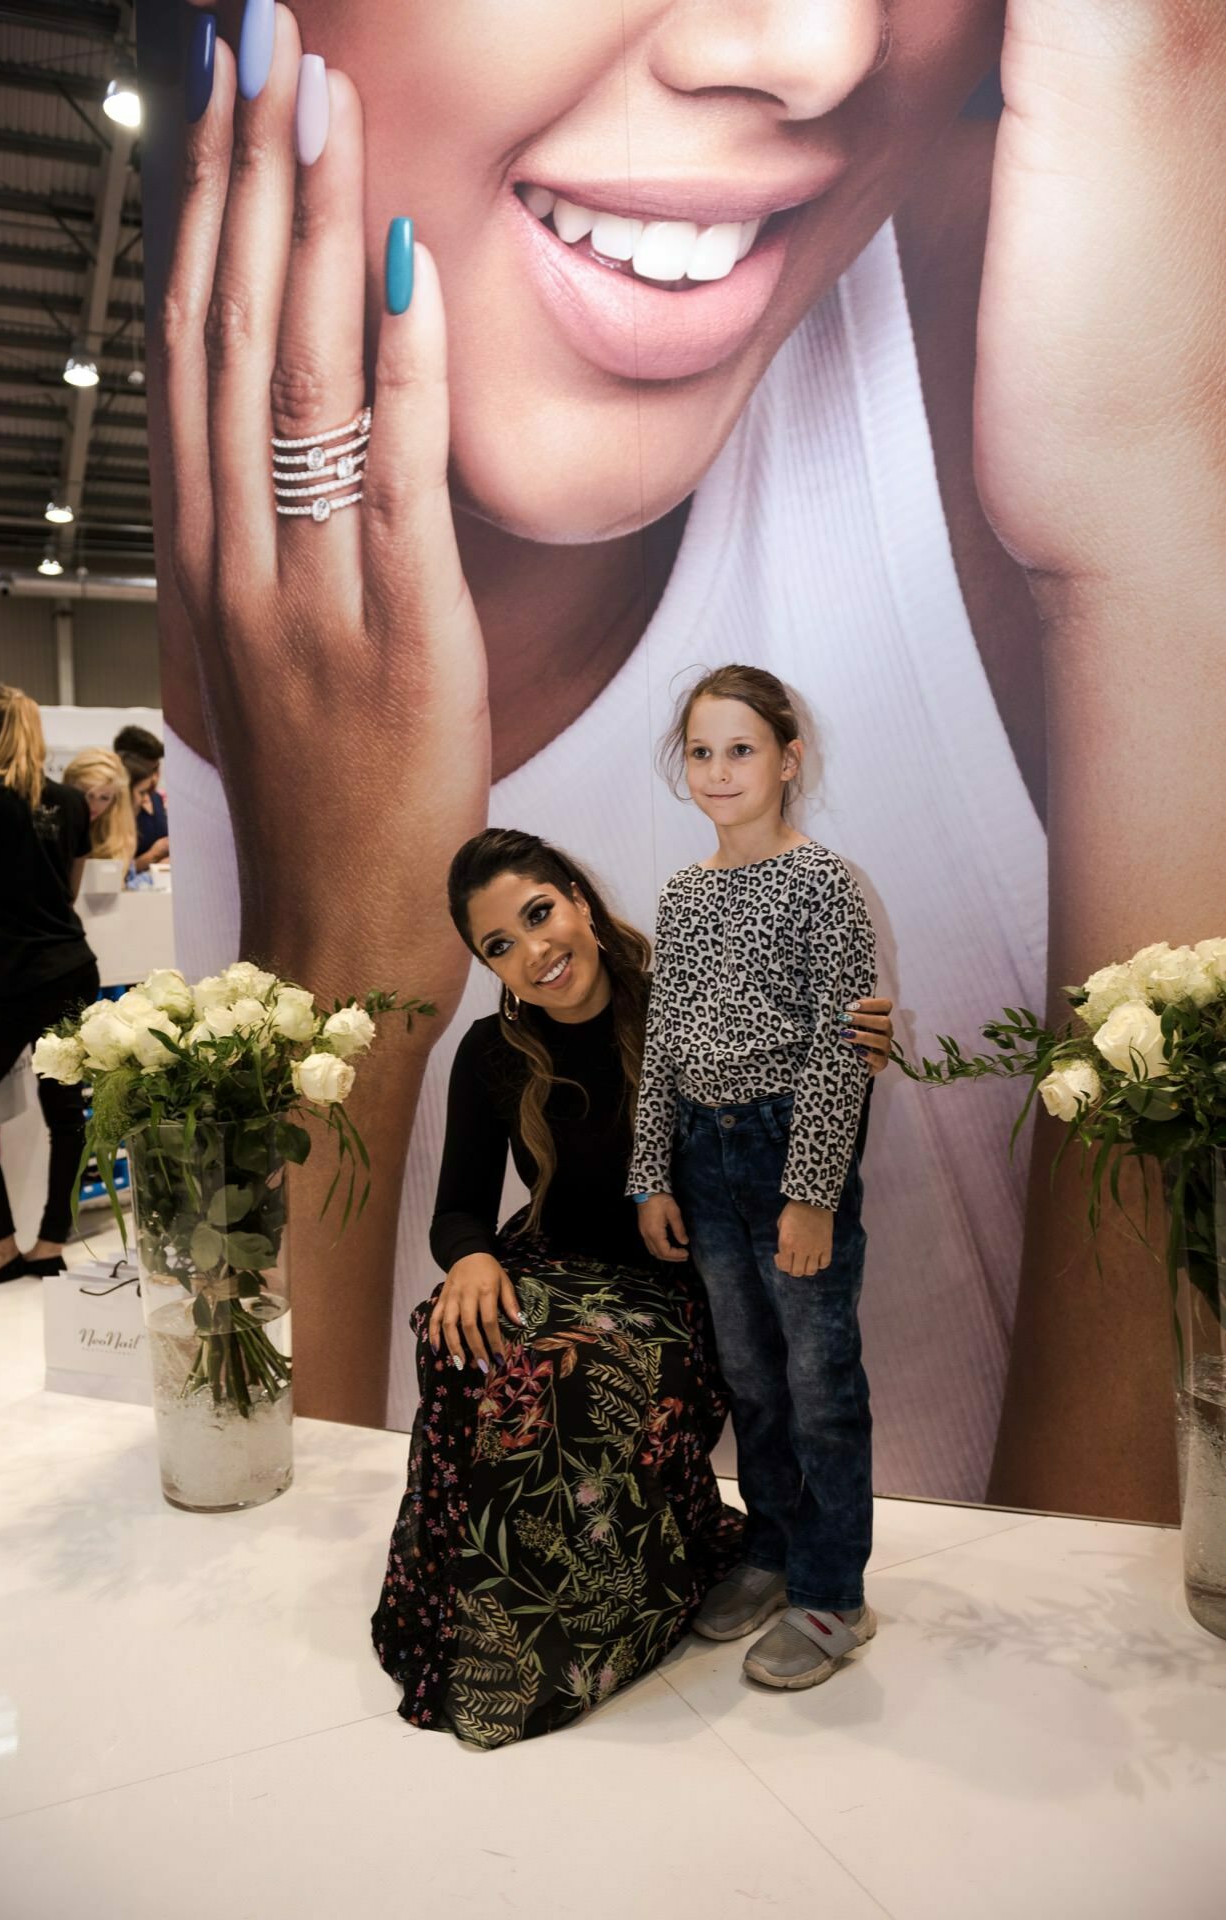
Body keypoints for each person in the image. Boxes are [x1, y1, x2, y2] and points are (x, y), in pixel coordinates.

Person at [148, 3, 1225, 1517]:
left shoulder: (1094, 300)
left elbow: (1124, 1677)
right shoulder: (545, 1020)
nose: (813, 49)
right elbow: (241, 1612)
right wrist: (341, 953)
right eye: (702, 753)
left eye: (739, 751)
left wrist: (1160, 577)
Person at [372, 826, 891, 1745]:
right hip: (549, 1268)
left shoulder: (678, 1002)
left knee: (565, 1372)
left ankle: (591, 1625)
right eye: (499, 944)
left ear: (576, 896)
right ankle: (476, 1625)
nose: (533, 953)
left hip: (673, 1290)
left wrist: (856, 1044)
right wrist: (472, 1259)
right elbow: (456, 1208)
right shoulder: (492, 1049)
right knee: (459, 1342)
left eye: (539, 914)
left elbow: (795, 1074)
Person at [630, 667, 877, 1692]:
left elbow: (837, 1049)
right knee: (752, 1379)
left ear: (788, 759)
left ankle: (833, 1593)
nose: (720, 771)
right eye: (701, 751)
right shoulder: (682, 894)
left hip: (787, 1153)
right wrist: (651, 1174)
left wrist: (811, 1193)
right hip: (703, 1153)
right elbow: (663, 1045)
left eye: (741, 749)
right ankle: (772, 1552)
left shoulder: (825, 883)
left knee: (820, 1385)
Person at [0, 686, 100, 1292]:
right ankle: (49, 1244)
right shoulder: (67, 799)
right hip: (71, 968)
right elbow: (68, 893)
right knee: (66, 1114)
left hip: (18, 978)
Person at [62, 749, 138, 881]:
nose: (93, 805)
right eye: (86, 794)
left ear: (114, 799)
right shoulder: (56, 828)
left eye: (104, 798)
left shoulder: (121, 838)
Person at [116, 732, 170, 874]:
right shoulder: (112, 813)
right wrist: (152, 856)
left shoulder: (159, 799)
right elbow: (112, 872)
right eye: (148, 771)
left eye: (156, 769)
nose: (154, 778)